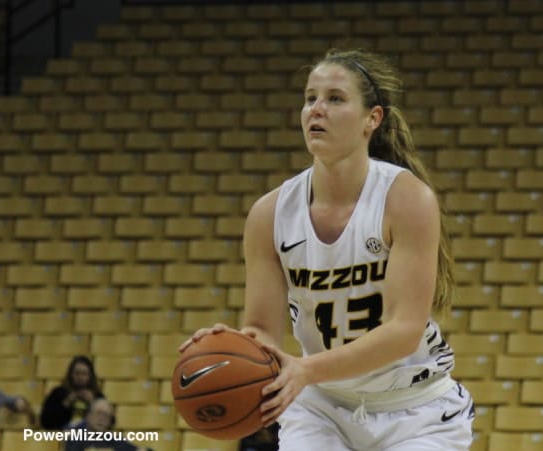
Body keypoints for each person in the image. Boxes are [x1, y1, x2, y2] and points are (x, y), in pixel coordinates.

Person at [180, 48, 474, 450]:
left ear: (373, 119)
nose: (316, 109)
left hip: (415, 410)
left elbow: (404, 330)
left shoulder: (406, 199)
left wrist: (306, 369)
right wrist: (233, 345)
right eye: (310, 98)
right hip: (323, 408)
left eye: (335, 98)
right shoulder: (269, 214)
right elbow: (263, 328)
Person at [40, 355, 104, 430]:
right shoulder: (58, 393)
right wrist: (66, 403)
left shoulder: (97, 396)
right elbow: (45, 422)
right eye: (77, 373)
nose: (80, 377)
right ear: (70, 374)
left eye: (84, 374)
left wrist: (94, 404)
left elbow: (110, 423)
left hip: (89, 438)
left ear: (90, 376)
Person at [64, 398, 152, 451]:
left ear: (110, 421)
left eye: (106, 415)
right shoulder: (75, 440)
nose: (101, 418)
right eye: (98, 413)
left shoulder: (114, 440)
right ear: (88, 416)